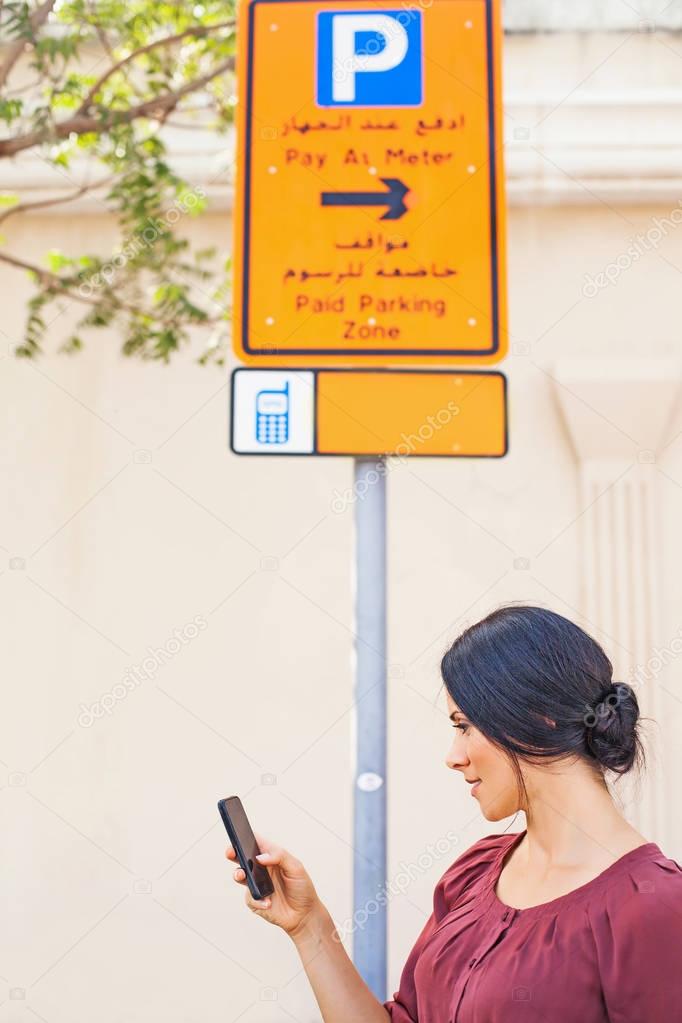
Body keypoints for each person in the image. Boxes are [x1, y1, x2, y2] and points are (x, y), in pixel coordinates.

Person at [225, 604, 682, 1020]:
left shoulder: (653, 907)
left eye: (464, 726)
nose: (453, 756)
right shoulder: (475, 872)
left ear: (538, 718)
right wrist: (310, 927)